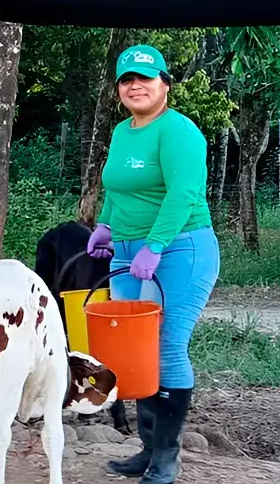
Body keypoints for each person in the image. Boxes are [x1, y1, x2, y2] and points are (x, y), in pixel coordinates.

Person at [86, 44, 218, 484]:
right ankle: (146, 450)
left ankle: (167, 456)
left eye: (145, 78)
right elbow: (118, 188)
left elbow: (183, 194)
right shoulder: (124, 132)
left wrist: (156, 244)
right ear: (119, 89)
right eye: (127, 79)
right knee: (130, 349)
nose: (135, 86)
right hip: (127, 250)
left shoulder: (179, 131)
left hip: (180, 249)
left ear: (165, 84)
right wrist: (105, 225)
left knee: (164, 345)